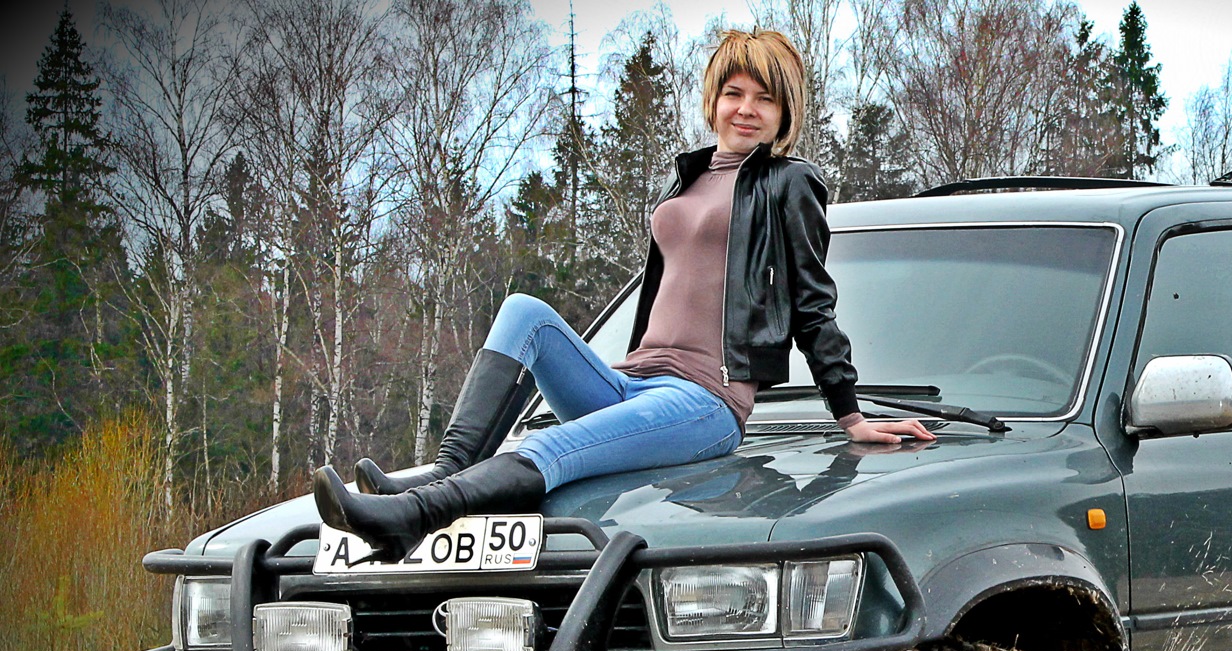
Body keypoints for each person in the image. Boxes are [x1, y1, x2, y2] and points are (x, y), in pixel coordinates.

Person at [314, 28, 932, 561]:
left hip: (704, 402)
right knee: (524, 313)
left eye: (765, 100)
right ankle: (447, 471)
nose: (746, 110)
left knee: (545, 444)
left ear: (784, 112)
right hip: (632, 381)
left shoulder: (788, 184)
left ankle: (413, 518)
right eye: (734, 94)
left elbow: (811, 302)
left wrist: (848, 413)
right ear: (713, 101)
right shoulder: (688, 179)